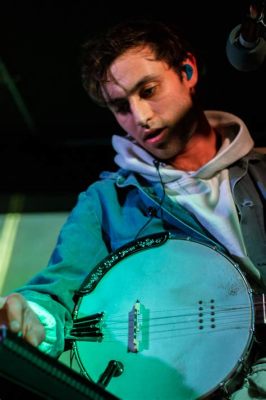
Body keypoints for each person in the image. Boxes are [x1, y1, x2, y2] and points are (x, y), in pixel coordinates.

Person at [0, 17, 266, 399]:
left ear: (187, 71)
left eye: (149, 89)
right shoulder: (105, 202)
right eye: (121, 106)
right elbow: (59, 294)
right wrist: (27, 317)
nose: (140, 117)